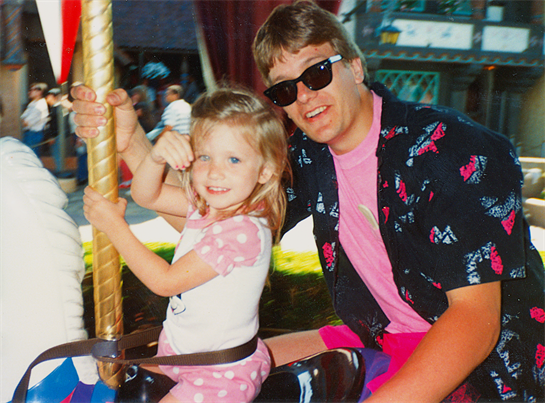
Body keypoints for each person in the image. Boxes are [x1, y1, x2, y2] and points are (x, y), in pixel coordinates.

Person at [71, 2, 545, 400]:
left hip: (483, 351)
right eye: (285, 88)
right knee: (227, 365)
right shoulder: (307, 155)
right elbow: (216, 225)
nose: (303, 95)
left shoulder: (456, 150)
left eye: (317, 72)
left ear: (355, 67)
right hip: (376, 331)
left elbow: (474, 324)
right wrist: (130, 140)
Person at [82, 86, 290, 402]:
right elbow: (146, 195)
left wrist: (114, 226)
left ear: (265, 170)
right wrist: (155, 157)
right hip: (182, 356)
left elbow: (164, 281)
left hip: (218, 373)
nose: (215, 171)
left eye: (234, 159)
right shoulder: (210, 206)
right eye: (205, 156)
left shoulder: (243, 230)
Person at [20, 82, 49, 156]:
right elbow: (22, 118)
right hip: (29, 134)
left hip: (34, 134)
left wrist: (24, 121)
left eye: (32, 90)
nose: (30, 92)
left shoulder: (40, 105)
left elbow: (26, 122)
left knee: (32, 157)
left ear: (40, 92)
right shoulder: (33, 103)